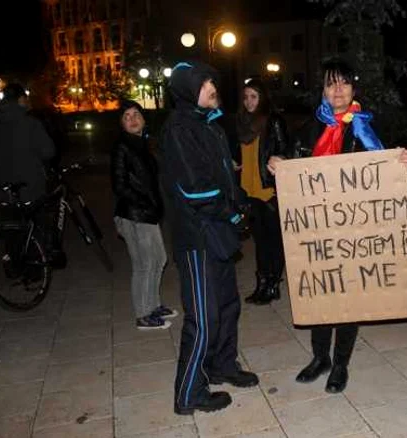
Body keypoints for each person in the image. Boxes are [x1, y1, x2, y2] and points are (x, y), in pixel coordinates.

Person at [267, 59, 407, 394]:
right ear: (323, 90)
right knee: (319, 294)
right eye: (331, 84)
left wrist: (401, 161)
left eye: (344, 83)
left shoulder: (367, 129)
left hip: (354, 233)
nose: (338, 91)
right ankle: (320, 358)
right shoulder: (308, 129)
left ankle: (341, 363)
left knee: (348, 298)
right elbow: (290, 167)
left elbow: (387, 171)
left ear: (353, 89)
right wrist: (277, 164)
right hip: (317, 231)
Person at [161, 61, 258, 415]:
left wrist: (239, 203)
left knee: (228, 305)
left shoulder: (210, 125)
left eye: (212, 80)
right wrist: (229, 211)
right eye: (204, 83)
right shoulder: (180, 129)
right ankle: (188, 393)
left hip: (219, 232)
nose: (212, 87)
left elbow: (223, 177)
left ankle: (222, 365)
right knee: (203, 317)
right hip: (198, 235)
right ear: (188, 91)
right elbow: (195, 190)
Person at [111, 100, 176, 330]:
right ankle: (143, 314)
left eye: (136, 114)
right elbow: (120, 186)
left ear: (143, 118)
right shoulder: (123, 146)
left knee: (159, 259)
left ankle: (154, 304)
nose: (132, 119)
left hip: (147, 213)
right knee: (144, 264)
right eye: (126, 116)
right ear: (121, 123)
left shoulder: (143, 144)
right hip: (134, 214)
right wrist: (146, 204)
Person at [236, 79, 289, 305]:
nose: (249, 101)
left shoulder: (273, 121)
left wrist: (280, 162)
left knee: (274, 241)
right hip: (249, 191)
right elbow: (243, 154)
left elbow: (285, 149)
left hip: (269, 190)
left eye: (254, 97)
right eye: (246, 97)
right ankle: (262, 283)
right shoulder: (241, 123)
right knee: (259, 241)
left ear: (262, 98)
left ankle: (273, 283)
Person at [0, 83, 55, 202]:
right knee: (38, 219)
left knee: (11, 218)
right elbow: (48, 151)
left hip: (5, 188)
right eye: (26, 99)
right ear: (21, 99)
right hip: (30, 187)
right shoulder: (31, 124)